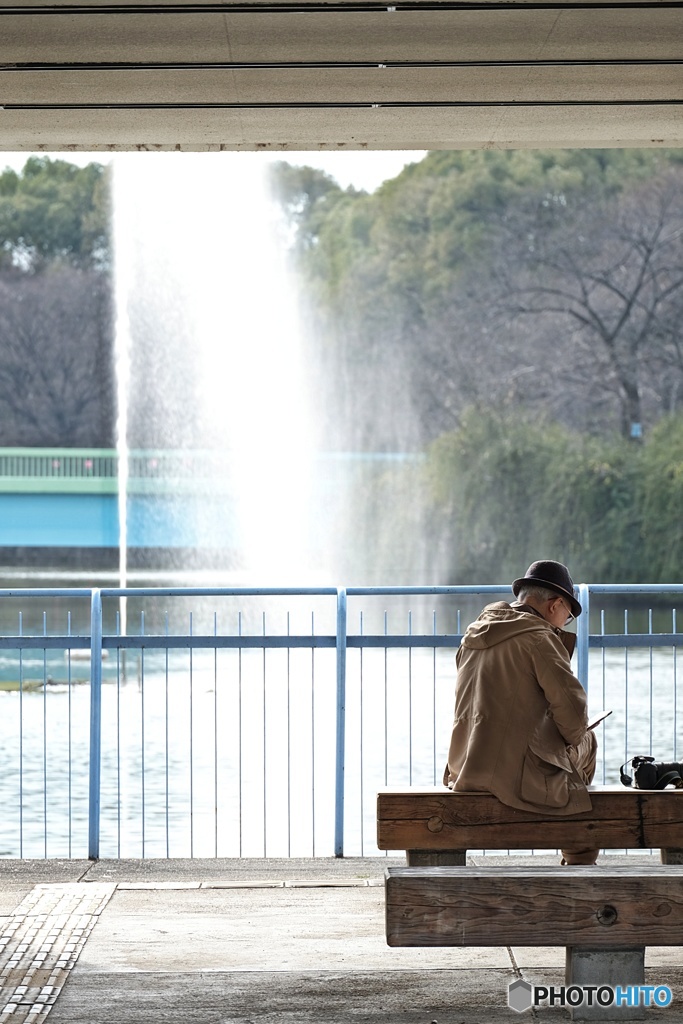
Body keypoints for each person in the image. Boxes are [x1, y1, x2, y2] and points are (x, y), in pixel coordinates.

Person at [443, 559, 599, 865]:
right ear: (555, 605)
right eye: (567, 617)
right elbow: (573, 721)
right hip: (514, 780)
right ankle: (578, 854)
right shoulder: (538, 639)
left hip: (462, 769)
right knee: (587, 741)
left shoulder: (473, 635)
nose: (564, 624)